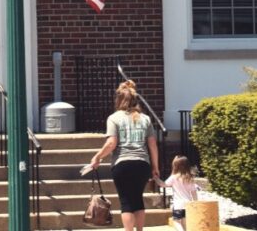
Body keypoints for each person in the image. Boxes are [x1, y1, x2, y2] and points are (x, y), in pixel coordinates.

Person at [81, 79, 161, 231]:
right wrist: (155, 166)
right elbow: (152, 145)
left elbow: (112, 143)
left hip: (122, 164)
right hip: (142, 164)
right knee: (138, 200)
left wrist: (97, 157)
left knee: (126, 203)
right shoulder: (146, 119)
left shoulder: (114, 118)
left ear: (119, 100)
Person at [164, 154, 199, 228]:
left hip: (178, 204)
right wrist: (195, 203)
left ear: (175, 166)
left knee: (176, 221)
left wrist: (156, 179)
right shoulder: (189, 178)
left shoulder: (174, 177)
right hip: (188, 203)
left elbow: (164, 184)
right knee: (184, 223)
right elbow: (193, 192)